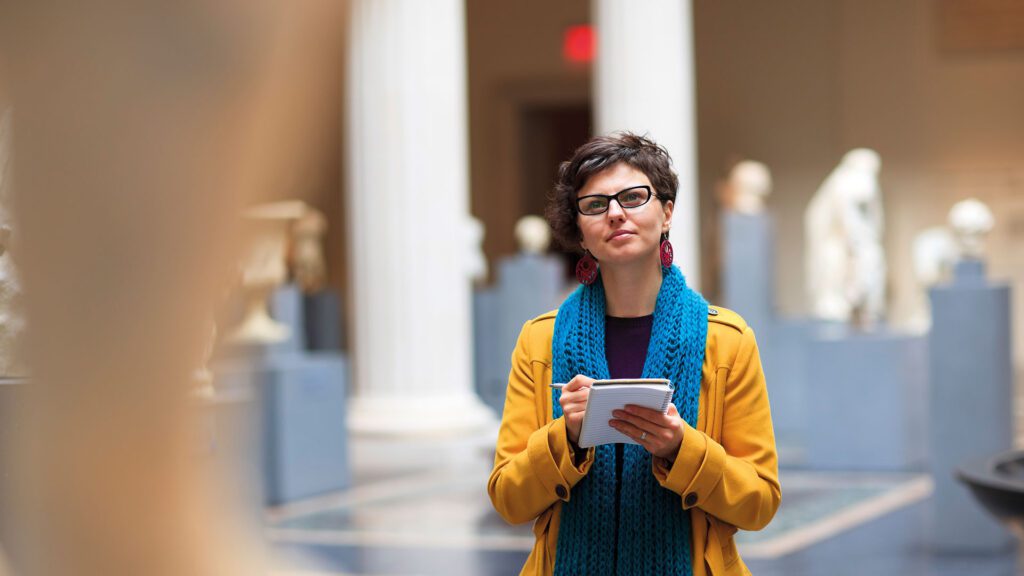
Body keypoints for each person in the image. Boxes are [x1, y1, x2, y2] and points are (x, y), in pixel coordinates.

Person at [487, 133, 780, 576]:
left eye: (633, 196)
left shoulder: (727, 340)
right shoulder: (539, 341)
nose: (616, 213)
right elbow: (509, 499)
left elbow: (759, 503)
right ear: (580, 230)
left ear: (666, 212)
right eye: (595, 204)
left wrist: (681, 448)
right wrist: (565, 437)